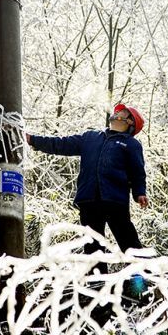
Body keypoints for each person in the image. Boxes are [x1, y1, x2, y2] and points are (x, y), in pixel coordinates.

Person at [26, 103, 149, 273]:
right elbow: (61, 144)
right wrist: (32, 140)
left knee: (129, 245)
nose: (117, 112)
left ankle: (141, 287)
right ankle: (98, 289)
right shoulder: (90, 137)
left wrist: (140, 192)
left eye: (122, 112)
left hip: (115, 201)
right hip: (89, 201)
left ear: (130, 122)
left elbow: (137, 171)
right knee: (92, 246)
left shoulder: (131, 144)